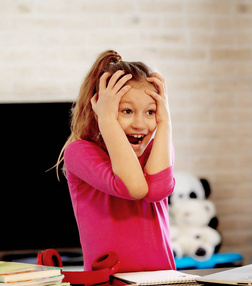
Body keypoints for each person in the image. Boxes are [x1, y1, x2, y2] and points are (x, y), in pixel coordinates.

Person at [57, 50, 176, 272]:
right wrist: (108, 120)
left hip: (162, 283)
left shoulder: (157, 149)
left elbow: (158, 190)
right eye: (127, 111)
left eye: (151, 112)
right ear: (99, 111)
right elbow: (136, 188)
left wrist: (166, 122)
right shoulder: (79, 152)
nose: (140, 124)